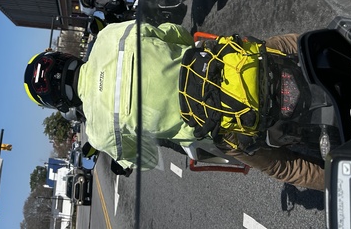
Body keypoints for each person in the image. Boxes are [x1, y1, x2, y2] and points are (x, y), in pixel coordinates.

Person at [24, 20, 326, 190]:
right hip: (224, 67)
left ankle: (343, 182)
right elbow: (175, 33)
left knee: (285, 167)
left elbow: (144, 158)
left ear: (58, 103)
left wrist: (124, 163)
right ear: (66, 57)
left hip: (224, 123)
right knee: (284, 46)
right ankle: (338, 44)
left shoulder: (100, 133)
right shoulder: (109, 36)